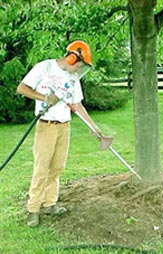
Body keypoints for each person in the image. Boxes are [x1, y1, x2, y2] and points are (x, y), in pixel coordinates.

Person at [17, 40, 100, 227]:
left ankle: (50, 204)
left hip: (64, 127)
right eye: (80, 65)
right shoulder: (44, 67)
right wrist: (44, 97)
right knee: (41, 168)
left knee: (57, 168)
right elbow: (21, 88)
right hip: (46, 125)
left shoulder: (73, 79)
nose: (79, 70)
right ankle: (33, 209)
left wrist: (93, 127)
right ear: (72, 58)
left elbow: (77, 104)